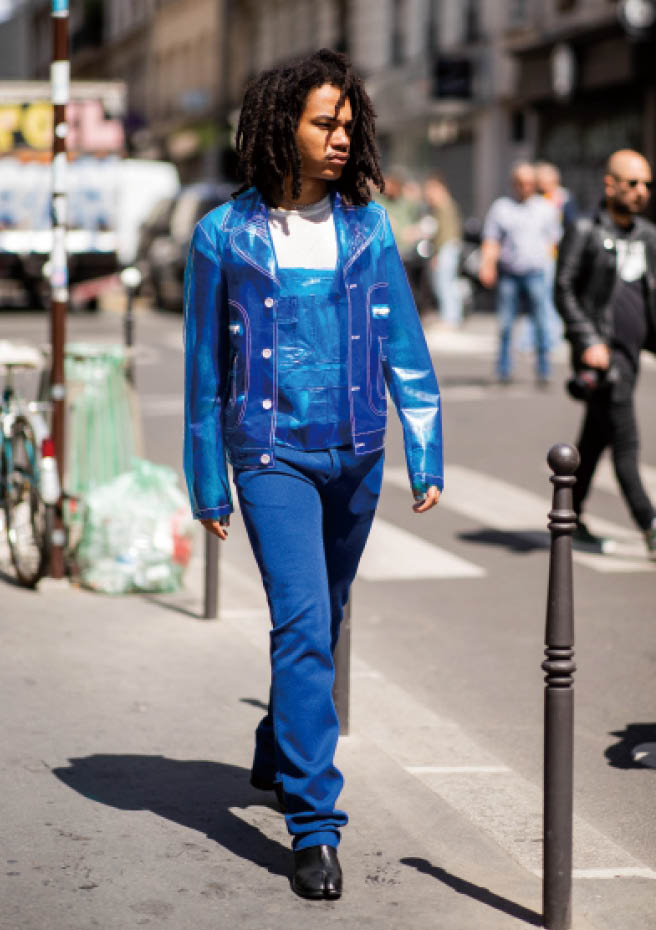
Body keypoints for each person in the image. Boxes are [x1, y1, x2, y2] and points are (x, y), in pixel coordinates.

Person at [183, 49, 444, 900]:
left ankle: (278, 743)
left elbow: (404, 343)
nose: (340, 138)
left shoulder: (369, 227)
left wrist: (424, 445)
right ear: (281, 127)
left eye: (347, 125)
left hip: (358, 450)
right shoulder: (222, 235)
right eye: (323, 123)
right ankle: (315, 826)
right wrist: (207, 476)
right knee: (301, 623)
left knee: (322, 620)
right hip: (271, 455)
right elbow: (203, 371)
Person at [555, 148, 656, 559]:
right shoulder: (584, 230)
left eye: (647, 184)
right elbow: (563, 289)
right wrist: (588, 340)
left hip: (631, 355)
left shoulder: (647, 236)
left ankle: (571, 516)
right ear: (610, 185)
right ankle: (650, 524)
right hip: (601, 358)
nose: (641, 191)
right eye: (633, 183)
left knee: (595, 439)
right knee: (626, 442)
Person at [479, 162, 561, 385]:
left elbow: (553, 240)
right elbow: (491, 240)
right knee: (506, 324)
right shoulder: (502, 208)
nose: (525, 188)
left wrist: (551, 267)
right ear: (513, 184)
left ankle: (543, 369)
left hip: (536, 273)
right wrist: (487, 265)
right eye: (520, 183)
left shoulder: (546, 208)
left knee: (542, 323)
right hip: (509, 274)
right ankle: (503, 369)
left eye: (529, 184)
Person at [424, 173, 463, 327]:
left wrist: (436, 253)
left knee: (444, 283)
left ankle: (450, 318)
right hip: (448, 248)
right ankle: (450, 316)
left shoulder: (443, 205)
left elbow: (443, 233)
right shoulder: (445, 205)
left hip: (446, 248)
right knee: (447, 283)